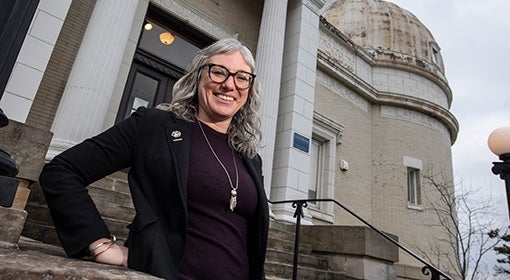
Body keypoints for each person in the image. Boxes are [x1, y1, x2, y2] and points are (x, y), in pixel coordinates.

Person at [39, 38, 269, 280]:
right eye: (219, 72)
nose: (229, 84)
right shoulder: (153, 126)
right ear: (199, 76)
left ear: (250, 89)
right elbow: (62, 171)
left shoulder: (250, 157)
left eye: (242, 77)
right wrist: (97, 243)